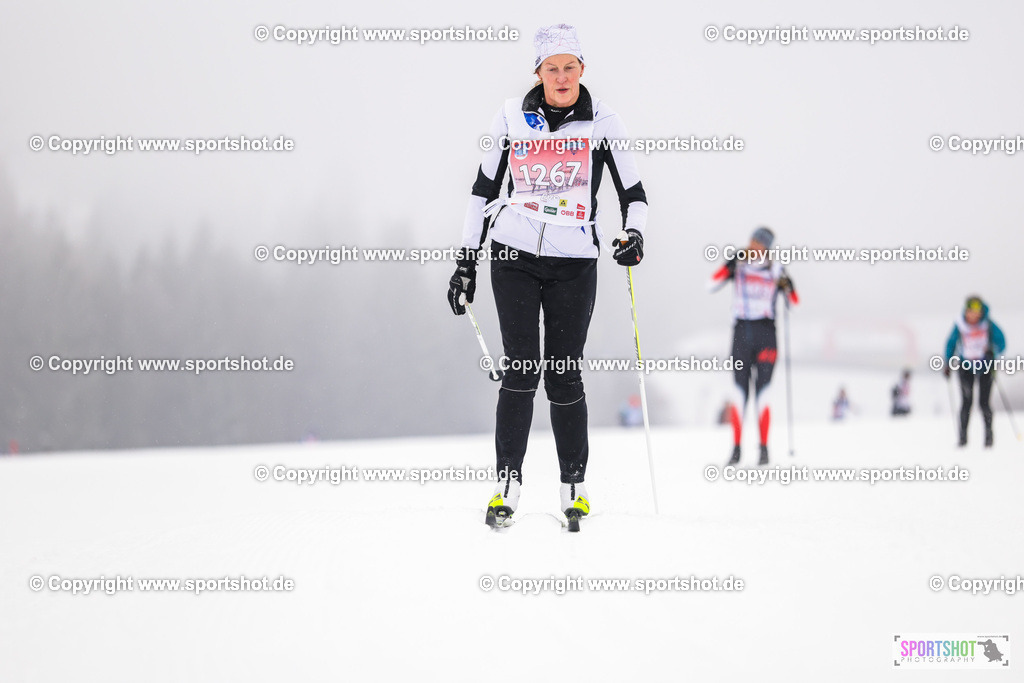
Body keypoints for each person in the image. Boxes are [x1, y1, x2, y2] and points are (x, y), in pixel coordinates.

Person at [447, 24, 648, 528]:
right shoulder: (513, 116)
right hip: (512, 254)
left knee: (563, 370)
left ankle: (573, 485)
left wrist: (634, 235)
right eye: (551, 68)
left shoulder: (604, 122)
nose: (561, 77)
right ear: (537, 72)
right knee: (521, 368)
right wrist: (466, 259)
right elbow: (482, 190)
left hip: (575, 261)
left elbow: (635, 195)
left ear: (583, 69)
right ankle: (507, 483)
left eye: (570, 67)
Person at [709, 227, 798, 465]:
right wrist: (728, 267)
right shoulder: (739, 262)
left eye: (759, 243)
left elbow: (795, 303)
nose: (753, 246)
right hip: (741, 334)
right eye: (752, 240)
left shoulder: (776, 268)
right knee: (739, 394)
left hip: (766, 335)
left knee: (763, 394)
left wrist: (788, 286)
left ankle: (764, 449)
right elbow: (711, 283)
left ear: (767, 247)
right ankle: (736, 449)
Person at [943, 295, 1006, 447]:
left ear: (981, 312)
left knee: (984, 403)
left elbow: (1001, 342)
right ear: (966, 311)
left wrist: (993, 351)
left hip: (985, 366)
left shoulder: (988, 325)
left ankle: (988, 439)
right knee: (966, 402)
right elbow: (951, 344)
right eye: (970, 311)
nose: (973, 315)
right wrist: (947, 363)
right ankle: (963, 439)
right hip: (965, 367)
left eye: (976, 312)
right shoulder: (960, 325)